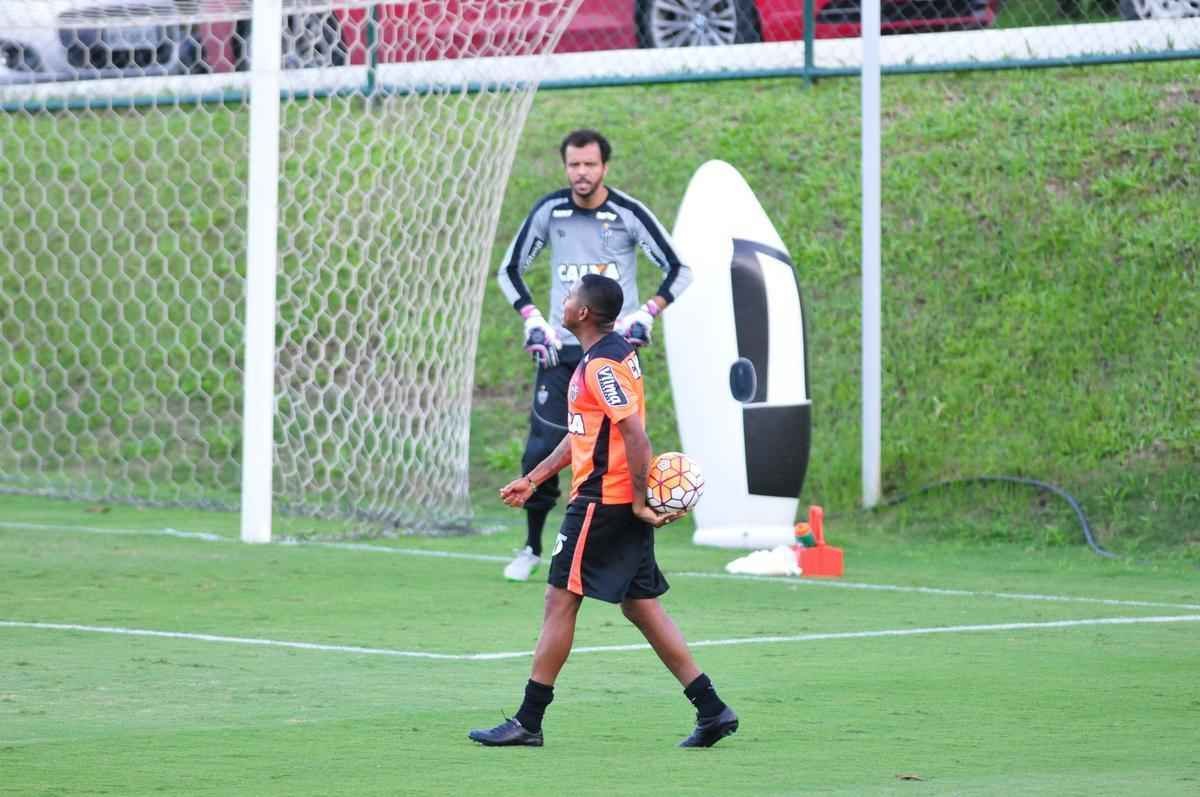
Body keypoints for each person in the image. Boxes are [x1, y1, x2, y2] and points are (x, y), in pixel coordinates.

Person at [468, 274, 738, 749]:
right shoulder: (603, 356)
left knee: (559, 599)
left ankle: (529, 721)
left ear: (583, 313)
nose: (564, 301)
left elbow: (635, 435)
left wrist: (637, 499)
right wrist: (535, 478)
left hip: (602, 503)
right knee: (640, 606)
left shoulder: (603, 365)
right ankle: (712, 709)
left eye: (570, 296)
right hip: (611, 500)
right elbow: (584, 433)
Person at [495, 128, 693, 581]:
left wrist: (647, 312)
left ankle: (620, 532)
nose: (581, 172)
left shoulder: (627, 214)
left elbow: (679, 269)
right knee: (543, 446)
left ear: (605, 167)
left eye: (589, 164)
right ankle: (531, 546)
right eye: (574, 165)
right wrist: (532, 318)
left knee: (615, 441)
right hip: (560, 351)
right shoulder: (550, 211)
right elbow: (510, 270)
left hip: (610, 349)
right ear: (565, 166)